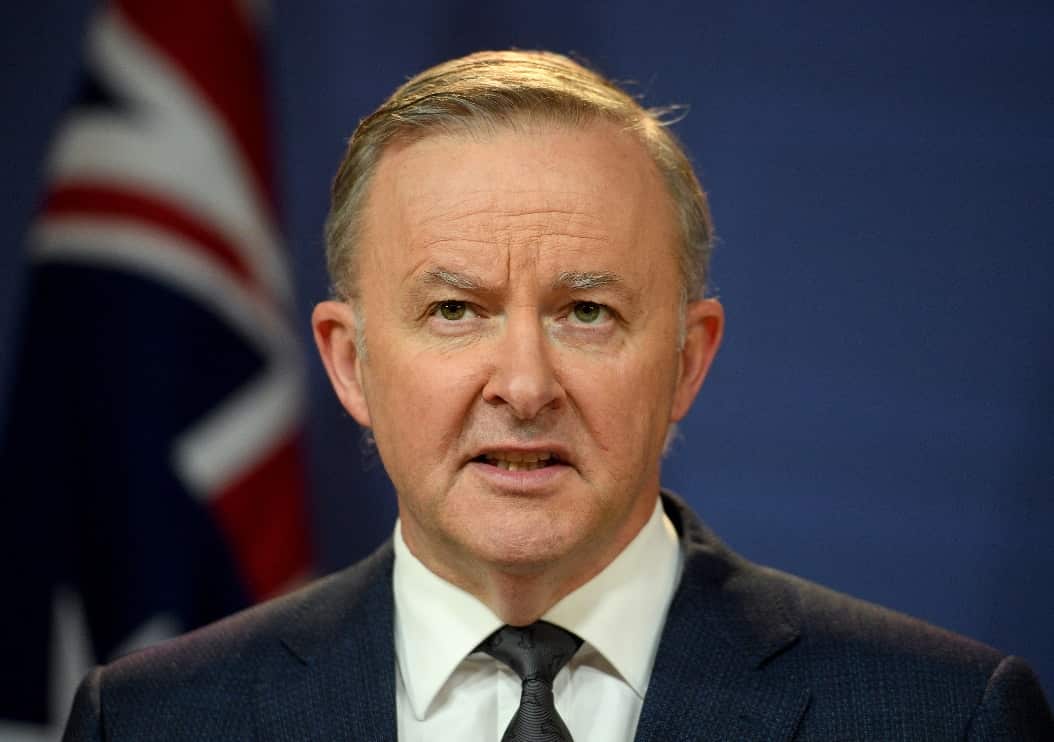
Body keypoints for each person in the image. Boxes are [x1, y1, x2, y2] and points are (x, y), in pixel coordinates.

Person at [63, 50, 1052, 741]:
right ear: (350, 361)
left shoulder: (937, 717)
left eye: (586, 311)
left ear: (687, 359)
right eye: (455, 310)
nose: (526, 385)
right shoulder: (154, 721)